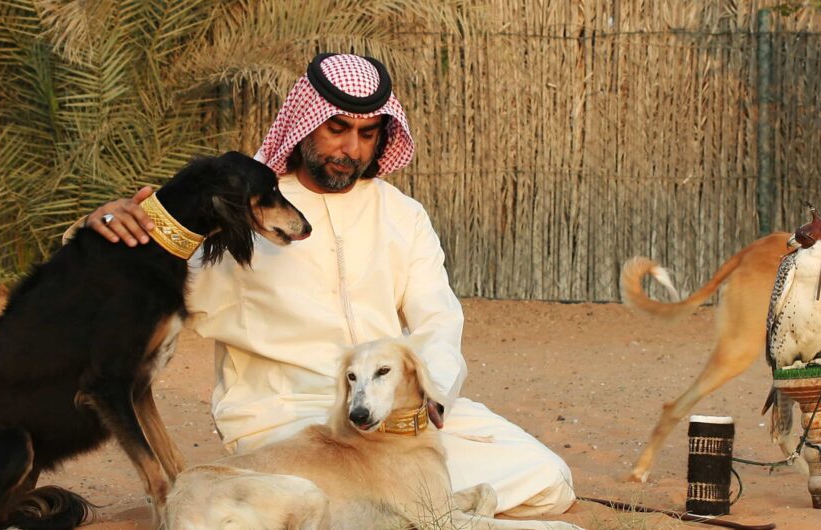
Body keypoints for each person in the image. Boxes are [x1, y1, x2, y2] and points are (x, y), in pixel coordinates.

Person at [81, 53, 575, 516]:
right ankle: (402, 509)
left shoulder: (401, 214)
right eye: (337, 129)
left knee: (546, 478)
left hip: (393, 416)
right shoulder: (246, 213)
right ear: (302, 124)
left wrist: (431, 398)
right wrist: (98, 224)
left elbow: (438, 320)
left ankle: (401, 510)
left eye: (367, 133)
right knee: (377, 498)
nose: (351, 149)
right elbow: (138, 274)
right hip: (290, 423)